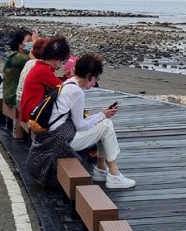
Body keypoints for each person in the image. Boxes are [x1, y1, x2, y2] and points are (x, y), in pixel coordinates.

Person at [26, 53, 135, 189]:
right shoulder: (76, 92)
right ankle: (113, 174)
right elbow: (81, 126)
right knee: (106, 125)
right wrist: (102, 116)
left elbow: (78, 121)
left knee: (103, 124)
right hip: (60, 142)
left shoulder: (67, 84)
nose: (95, 82)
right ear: (89, 76)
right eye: (95, 78)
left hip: (53, 138)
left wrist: (101, 115)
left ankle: (101, 170)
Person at [18, 35, 72, 122]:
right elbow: (64, 88)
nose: (60, 64)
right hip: (34, 114)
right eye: (61, 60)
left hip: (30, 110)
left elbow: (56, 84)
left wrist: (66, 77)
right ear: (56, 59)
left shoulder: (40, 66)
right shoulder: (43, 70)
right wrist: (74, 77)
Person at [2, 28, 34, 106]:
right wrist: (36, 44)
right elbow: (35, 61)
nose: (31, 44)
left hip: (19, 93)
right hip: (13, 95)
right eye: (28, 41)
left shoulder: (25, 54)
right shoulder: (16, 57)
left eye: (31, 41)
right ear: (19, 44)